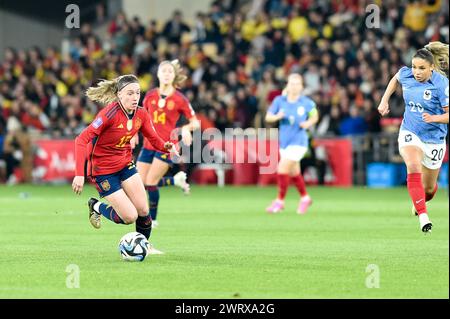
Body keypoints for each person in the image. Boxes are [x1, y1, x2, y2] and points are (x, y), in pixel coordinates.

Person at [72, 74, 177, 254]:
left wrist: (166, 146)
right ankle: (95, 206)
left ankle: (145, 245)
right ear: (119, 94)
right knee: (129, 217)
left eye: (137, 93)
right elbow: (81, 140)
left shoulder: (141, 114)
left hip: (125, 165)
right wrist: (79, 174)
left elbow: (153, 138)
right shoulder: (109, 114)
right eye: (129, 93)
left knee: (143, 209)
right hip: (103, 171)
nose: (135, 97)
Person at [378, 41, 449, 233]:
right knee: (413, 164)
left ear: (432, 67)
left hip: (434, 140)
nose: (416, 72)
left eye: (422, 68)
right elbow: (395, 79)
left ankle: (420, 202)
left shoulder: (442, 85)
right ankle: (424, 217)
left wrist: (434, 118)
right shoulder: (406, 74)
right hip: (411, 131)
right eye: (414, 67)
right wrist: (384, 101)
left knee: (429, 189)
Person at [136, 59, 200, 227]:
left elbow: (196, 122)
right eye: (163, 70)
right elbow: (140, 117)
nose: (166, 74)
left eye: (169, 71)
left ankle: (152, 220)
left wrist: (186, 128)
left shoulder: (180, 99)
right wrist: (133, 133)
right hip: (148, 145)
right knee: (139, 183)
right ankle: (175, 180)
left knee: (150, 182)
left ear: (174, 76)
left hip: (167, 145)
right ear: (157, 74)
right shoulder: (149, 95)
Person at [265, 73, 319, 214]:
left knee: (282, 169)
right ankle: (305, 198)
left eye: (297, 84)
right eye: (292, 83)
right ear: (287, 85)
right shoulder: (279, 101)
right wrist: (278, 116)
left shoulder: (306, 102)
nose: (294, 86)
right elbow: (268, 117)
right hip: (284, 142)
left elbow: (315, 115)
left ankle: (279, 201)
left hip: (299, 142)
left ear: (301, 87)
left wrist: (308, 123)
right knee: (295, 172)